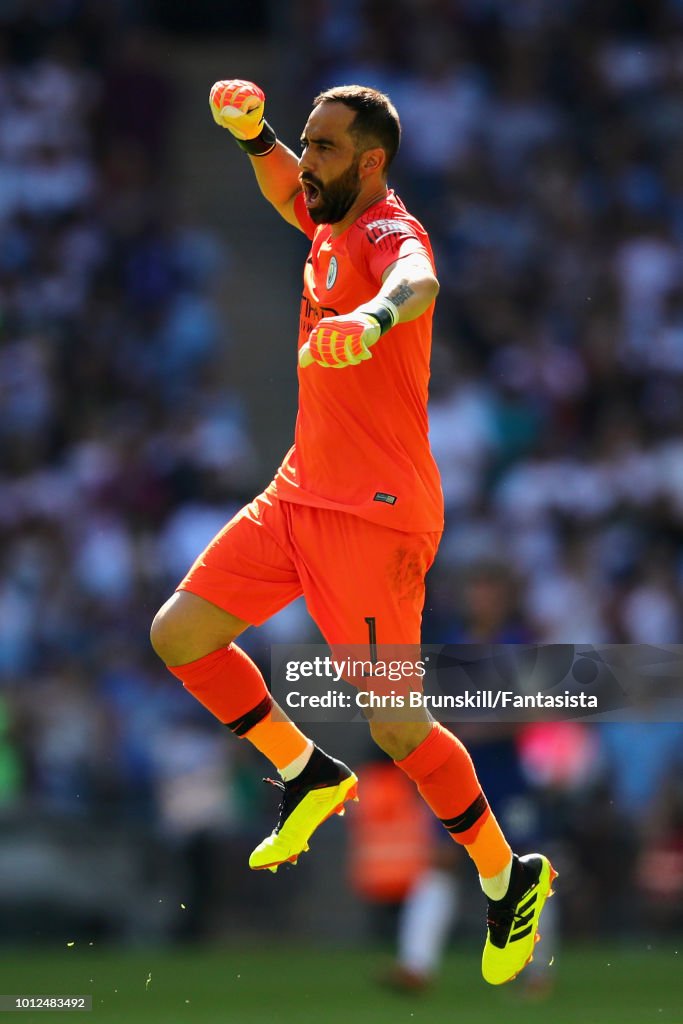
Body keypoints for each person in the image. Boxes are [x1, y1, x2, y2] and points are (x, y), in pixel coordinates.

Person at [150, 78, 555, 985]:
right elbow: (285, 189)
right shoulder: (329, 214)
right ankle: (305, 774)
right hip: (297, 498)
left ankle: (506, 874)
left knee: (399, 728)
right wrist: (254, 135)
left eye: (323, 146)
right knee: (179, 634)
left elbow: (420, 278)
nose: (309, 160)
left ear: (372, 162)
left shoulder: (383, 233)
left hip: (374, 518)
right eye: (307, 140)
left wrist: (372, 318)